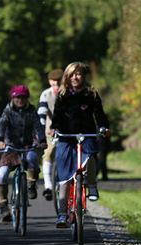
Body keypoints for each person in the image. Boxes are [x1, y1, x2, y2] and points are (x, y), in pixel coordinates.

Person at [51, 61, 110, 228]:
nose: (75, 77)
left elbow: (100, 115)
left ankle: (92, 185)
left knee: (90, 158)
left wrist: (104, 127)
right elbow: (57, 116)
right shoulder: (62, 95)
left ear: (83, 76)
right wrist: (54, 128)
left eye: (78, 74)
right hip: (66, 137)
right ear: (67, 77)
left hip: (87, 134)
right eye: (72, 75)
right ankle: (62, 215)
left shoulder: (91, 94)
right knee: (63, 177)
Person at [0, 85, 47, 222]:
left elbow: (38, 126)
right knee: (3, 174)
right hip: (10, 147)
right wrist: (1, 140)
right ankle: (3, 205)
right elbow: (2, 125)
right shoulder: (7, 111)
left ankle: (31, 184)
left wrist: (42, 140)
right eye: (17, 97)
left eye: (23, 97)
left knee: (33, 159)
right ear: (13, 98)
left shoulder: (31, 111)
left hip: (27, 146)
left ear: (27, 98)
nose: (20, 100)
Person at [37, 68, 63, 201]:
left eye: (58, 84)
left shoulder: (67, 93)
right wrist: (41, 129)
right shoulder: (46, 94)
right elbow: (41, 112)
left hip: (67, 130)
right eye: (53, 84)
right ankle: (48, 186)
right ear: (49, 82)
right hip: (50, 130)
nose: (56, 87)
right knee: (48, 154)